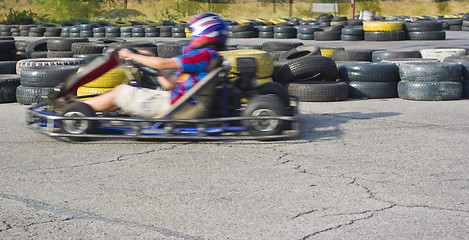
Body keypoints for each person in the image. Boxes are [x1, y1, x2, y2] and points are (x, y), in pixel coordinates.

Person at [80, 12, 227, 118]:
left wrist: (131, 55)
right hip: (180, 102)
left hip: (175, 106)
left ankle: (76, 112)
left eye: (193, 33)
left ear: (204, 32)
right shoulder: (209, 57)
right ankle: (80, 104)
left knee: (121, 92)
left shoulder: (203, 55)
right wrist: (150, 58)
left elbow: (164, 64)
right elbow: (169, 83)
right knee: (122, 95)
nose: (191, 38)